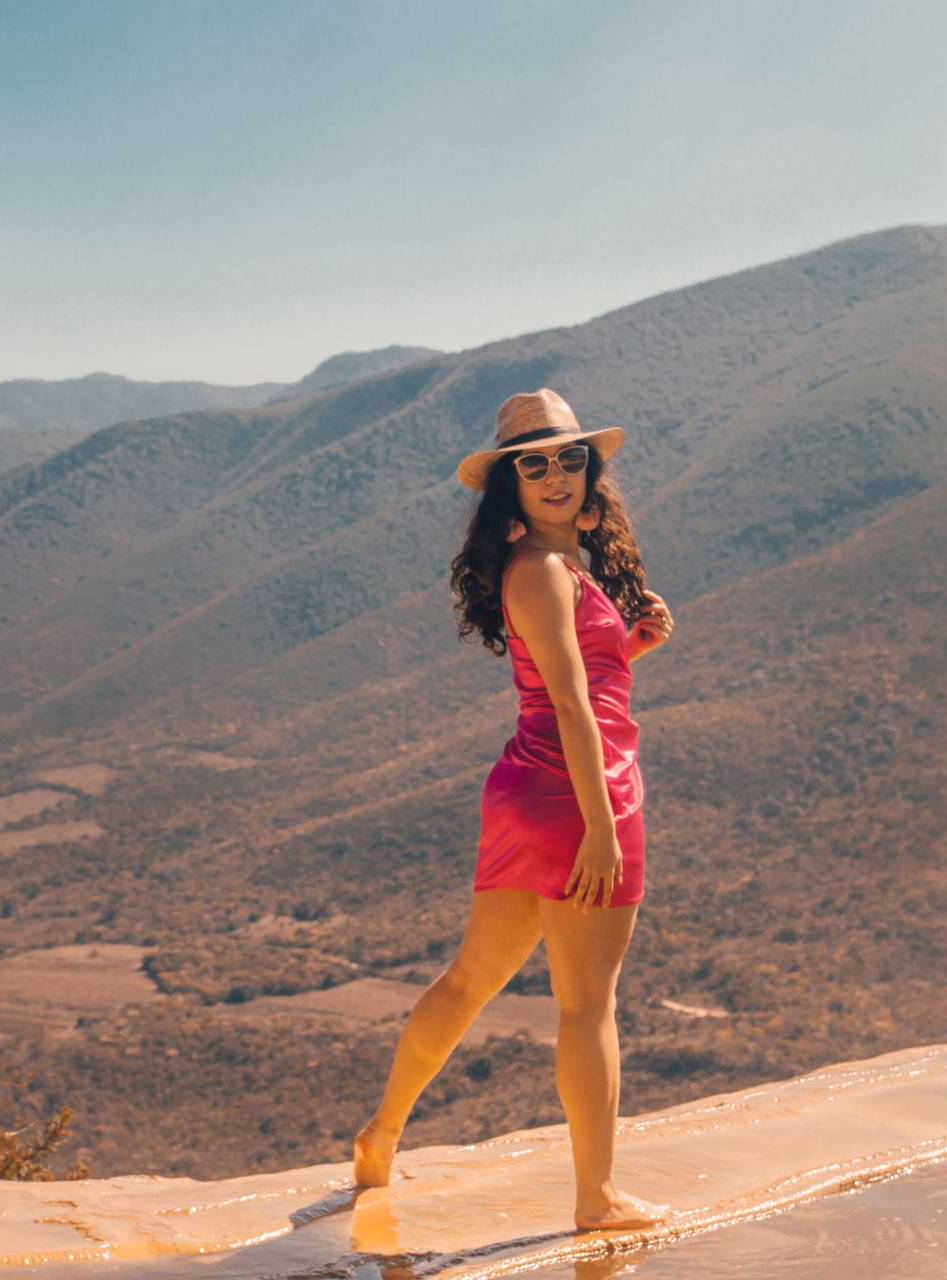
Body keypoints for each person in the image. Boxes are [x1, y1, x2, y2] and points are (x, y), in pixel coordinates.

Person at [351, 389, 675, 1233]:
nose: (557, 475)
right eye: (535, 463)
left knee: (469, 980)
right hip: (582, 791)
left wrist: (632, 643)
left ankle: (380, 1135)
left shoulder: (550, 570)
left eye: (570, 458)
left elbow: (569, 682)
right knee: (586, 1005)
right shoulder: (542, 570)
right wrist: (602, 828)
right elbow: (570, 705)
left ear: (590, 469)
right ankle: (596, 1200)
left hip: (529, 791)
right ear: (511, 484)